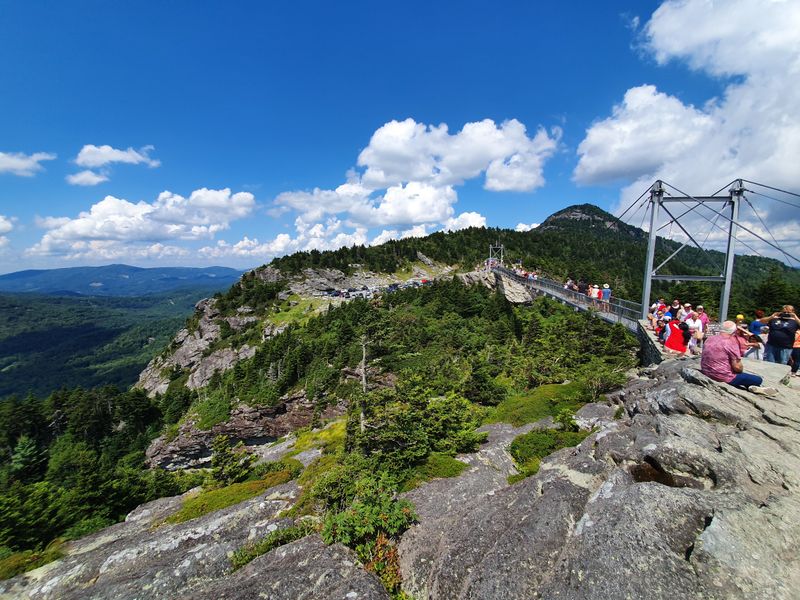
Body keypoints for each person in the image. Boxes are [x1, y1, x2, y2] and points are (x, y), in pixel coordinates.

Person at [701, 321, 776, 394]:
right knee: (758, 379)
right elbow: (737, 367)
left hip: (706, 371)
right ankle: (755, 386)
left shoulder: (710, 339)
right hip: (723, 376)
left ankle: (752, 386)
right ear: (734, 331)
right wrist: (739, 371)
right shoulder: (730, 343)